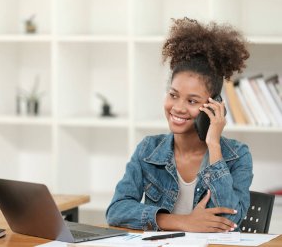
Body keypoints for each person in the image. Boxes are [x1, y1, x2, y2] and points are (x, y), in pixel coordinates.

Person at [106, 17, 253, 233]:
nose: (178, 107)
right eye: (173, 95)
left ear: (214, 106)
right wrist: (183, 222)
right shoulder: (148, 150)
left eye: (192, 101)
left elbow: (230, 220)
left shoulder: (237, 156)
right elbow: (116, 210)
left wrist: (214, 145)